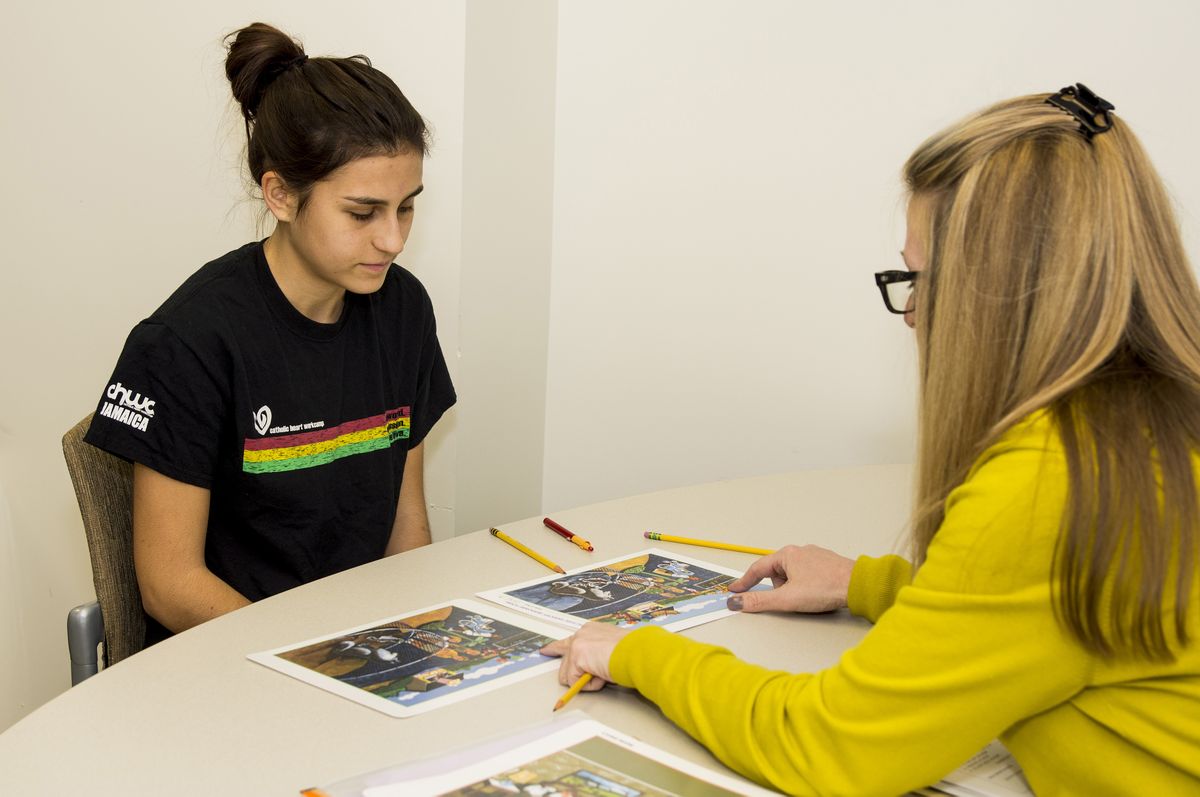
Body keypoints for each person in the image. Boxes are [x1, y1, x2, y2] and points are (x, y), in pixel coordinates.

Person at [542, 84, 1200, 795]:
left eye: (919, 278)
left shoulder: (1052, 477)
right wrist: (870, 583)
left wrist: (639, 652)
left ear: (995, 291)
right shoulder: (1153, 426)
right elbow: (1051, 614)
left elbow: (830, 746)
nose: (912, 313)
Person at [85, 22, 455, 645]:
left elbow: (404, 530)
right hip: (231, 659)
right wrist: (313, 662)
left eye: (407, 206)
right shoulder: (187, 342)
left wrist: (416, 650)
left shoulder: (403, 311)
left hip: (360, 650)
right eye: (363, 213)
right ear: (281, 194)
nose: (392, 240)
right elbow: (171, 585)